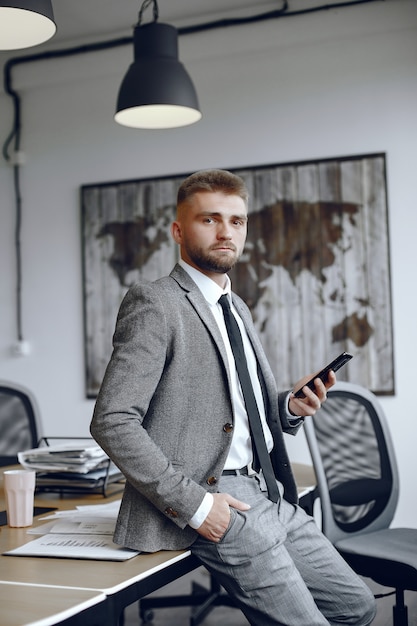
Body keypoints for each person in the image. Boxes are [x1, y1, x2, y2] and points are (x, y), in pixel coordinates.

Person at [91, 169, 376, 625]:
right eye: (210, 219)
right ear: (179, 230)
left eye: (237, 221)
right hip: (217, 495)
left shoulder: (236, 306)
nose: (226, 232)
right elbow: (113, 420)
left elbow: (232, 411)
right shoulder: (155, 302)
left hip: (274, 491)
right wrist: (198, 507)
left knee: (356, 608)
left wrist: (286, 408)